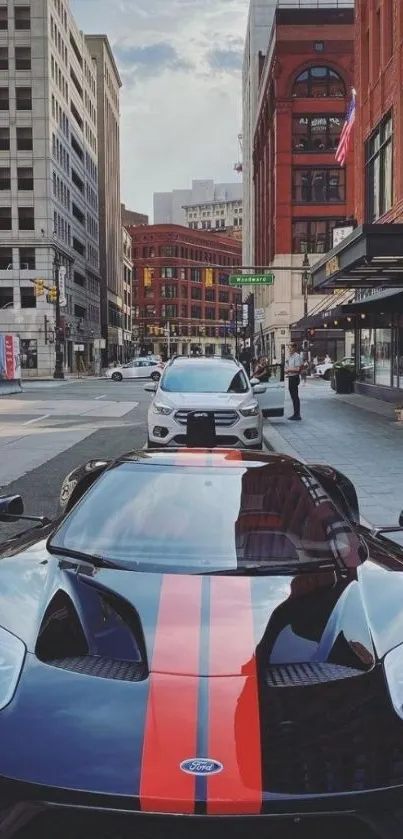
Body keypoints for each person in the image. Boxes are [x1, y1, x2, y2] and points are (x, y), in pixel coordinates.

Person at [285, 342, 302, 421]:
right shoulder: (290, 357)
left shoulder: (297, 356)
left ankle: (297, 414)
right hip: (290, 377)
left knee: (295, 396)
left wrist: (288, 370)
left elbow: (297, 369)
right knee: (292, 396)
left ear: (294, 348)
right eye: (289, 347)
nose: (289, 349)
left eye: (291, 347)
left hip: (294, 377)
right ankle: (295, 413)